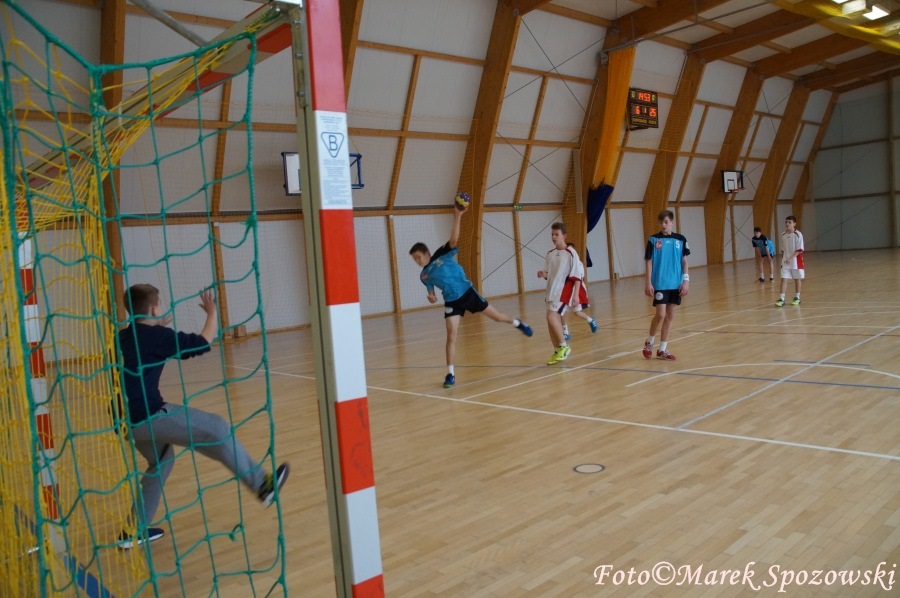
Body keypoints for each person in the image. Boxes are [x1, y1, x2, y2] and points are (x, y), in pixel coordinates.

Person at [117, 284, 289, 548]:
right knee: (217, 427)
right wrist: (212, 313)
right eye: (159, 304)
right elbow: (202, 343)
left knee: (162, 462)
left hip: (124, 422)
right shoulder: (157, 337)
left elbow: (142, 343)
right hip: (149, 416)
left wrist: (155, 326)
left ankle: (132, 530)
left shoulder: (123, 337)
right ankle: (262, 486)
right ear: (153, 309)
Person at [409, 199, 533, 388]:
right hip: (452, 301)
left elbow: (453, 240)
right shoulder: (424, 276)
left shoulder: (441, 254)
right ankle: (450, 374)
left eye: (418, 257)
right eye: (415, 259)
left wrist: (457, 215)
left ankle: (518, 323)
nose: (417, 261)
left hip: (467, 292)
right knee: (451, 336)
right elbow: (431, 293)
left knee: (497, 317)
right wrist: (432, 298)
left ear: (426, 253)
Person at [642, 210, 690, 361]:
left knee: (670, 315)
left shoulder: (680, 239)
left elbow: (684, 261)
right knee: (661, 314)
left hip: (676, 284)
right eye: (661, 222)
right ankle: (649, 342)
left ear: (672, 223)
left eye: (666, 222)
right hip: (660, 283)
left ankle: (662, 349)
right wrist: (648, 282)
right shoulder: (653, 240)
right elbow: (649, 261)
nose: (663, 225)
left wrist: (686, 280)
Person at [537, 223, 581, 365]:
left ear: (564, 236)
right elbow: (548, 274)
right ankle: (557, 350)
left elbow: (577, 276)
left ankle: (564, 346)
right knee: (550, 320)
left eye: (556, 234)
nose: (554, 237)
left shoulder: (571, 253)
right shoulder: (550, 254)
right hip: (551, 291)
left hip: (563, 292)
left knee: (551, 316)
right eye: (552, 234)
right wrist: (543, 274)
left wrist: (576, 295)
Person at [560, 243, 598, 340]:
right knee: (562, 311)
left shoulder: (579, 264)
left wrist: (576, 295)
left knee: (577, 313)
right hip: (565, 290)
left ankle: (590, 320)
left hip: (575, 289)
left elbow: (578, 278)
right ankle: (565, 332)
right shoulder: (563, 263)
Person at [776, 215, 804, 307]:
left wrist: (790, 258)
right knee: (784, 279)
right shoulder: (783, 235)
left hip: (796, 261)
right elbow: (783, 249)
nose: (787, 224)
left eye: (789, 222)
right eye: (786, 222)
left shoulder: (798, 234)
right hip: (785, 261)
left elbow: (799, 250)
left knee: (797, 279)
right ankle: (782, 299)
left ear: (794, 224)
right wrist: (784, 259)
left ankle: (797, 297)